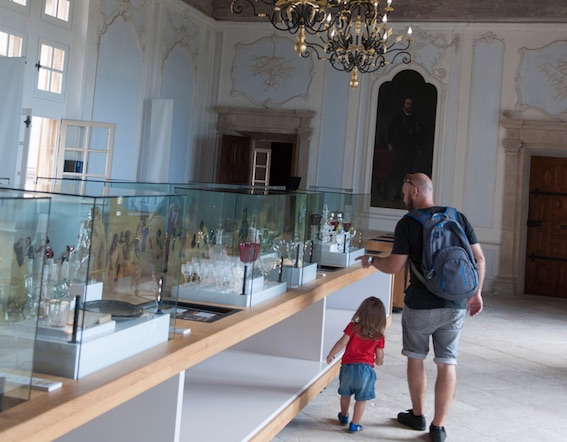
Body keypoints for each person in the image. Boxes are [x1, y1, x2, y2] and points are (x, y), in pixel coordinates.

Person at [357, 172, 485, 442]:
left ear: (415, 190)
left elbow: (394, 265)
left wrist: (372, 260)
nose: (403, 196)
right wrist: (475, 293)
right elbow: (479, 258)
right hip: (455, 303)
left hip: (420, 304)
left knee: (416, 358)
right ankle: (438, 427)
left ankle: (417, 415)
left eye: (404, 192)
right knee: (447, 362)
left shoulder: (408, 223)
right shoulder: (457, 217)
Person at [326, 296, 387, 434]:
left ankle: (344, 416)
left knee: (345, 394)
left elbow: (342, 342)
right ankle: (355, 424)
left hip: (348, 367)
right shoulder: (379, 336)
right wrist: (379, 362)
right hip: (365, 370)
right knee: (361, 399)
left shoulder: (353, 327)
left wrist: (331, 354)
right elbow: (379, 357)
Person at [387, 97, 425, 199]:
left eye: (410, 104)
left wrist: (419, 147)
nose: (409, 106)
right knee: (399, 171)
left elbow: (420, 133)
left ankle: (409, 194)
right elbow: (390, 131)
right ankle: (398, 192)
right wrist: (390, 143)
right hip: (400, 149)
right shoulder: (397, 118)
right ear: (404, 105)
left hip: (411, 149)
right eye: (407, 104)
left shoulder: (416, 119)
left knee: (410, 172)